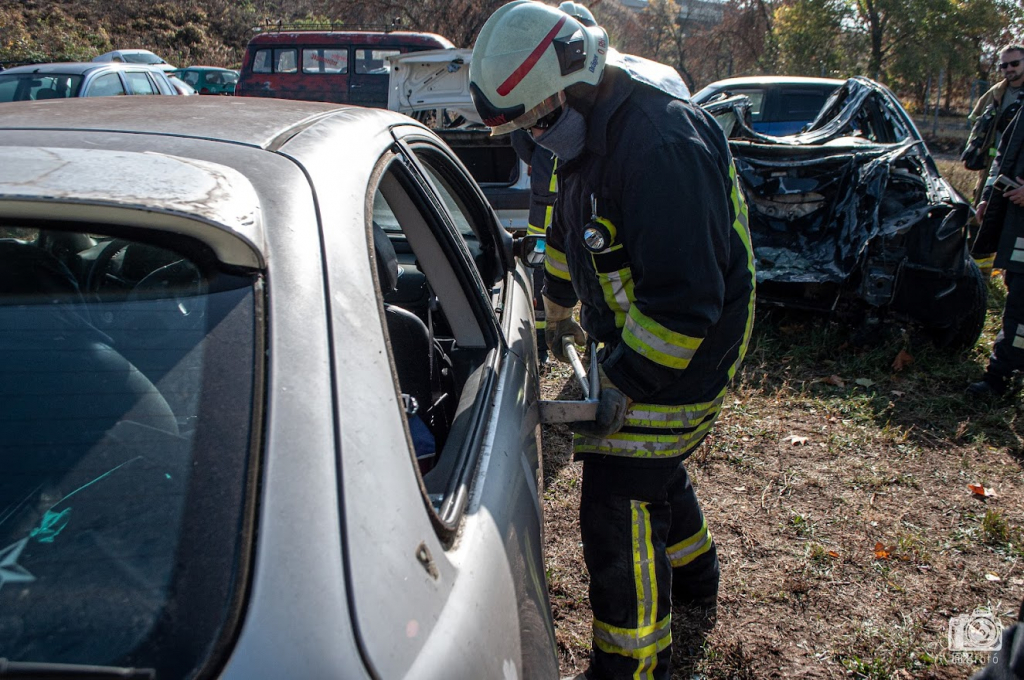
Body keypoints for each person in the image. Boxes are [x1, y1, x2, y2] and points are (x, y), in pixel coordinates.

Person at [469, 3, 755, 679]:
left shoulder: (661, 145)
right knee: (653, 467)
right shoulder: (586, 135)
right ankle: (697, 577)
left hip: (689, 354)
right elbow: (572, 229)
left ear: (573, 83)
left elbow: (685, 306)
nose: (535, 139)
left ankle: (630, 664)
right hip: (639, 338)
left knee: (617, 490)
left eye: (537, 121)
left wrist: (622, 383)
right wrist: (559, 309)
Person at [968, 100, 1024, 397]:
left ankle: (1000, 378)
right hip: (1015, 223)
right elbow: (1003, 155)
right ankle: (1004, 373)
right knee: (1016, 301)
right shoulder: (1019, 108)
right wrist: (989, 196)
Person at [965, 45, 1024, 276]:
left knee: (1012, 223)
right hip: (993, 167)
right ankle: (980, 275)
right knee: (980, 216)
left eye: (1014, 63)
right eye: (1003, 65)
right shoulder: (994, 94)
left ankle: (1010, 270)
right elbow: (976, 125)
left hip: (1018, 171)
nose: (1008, 69)